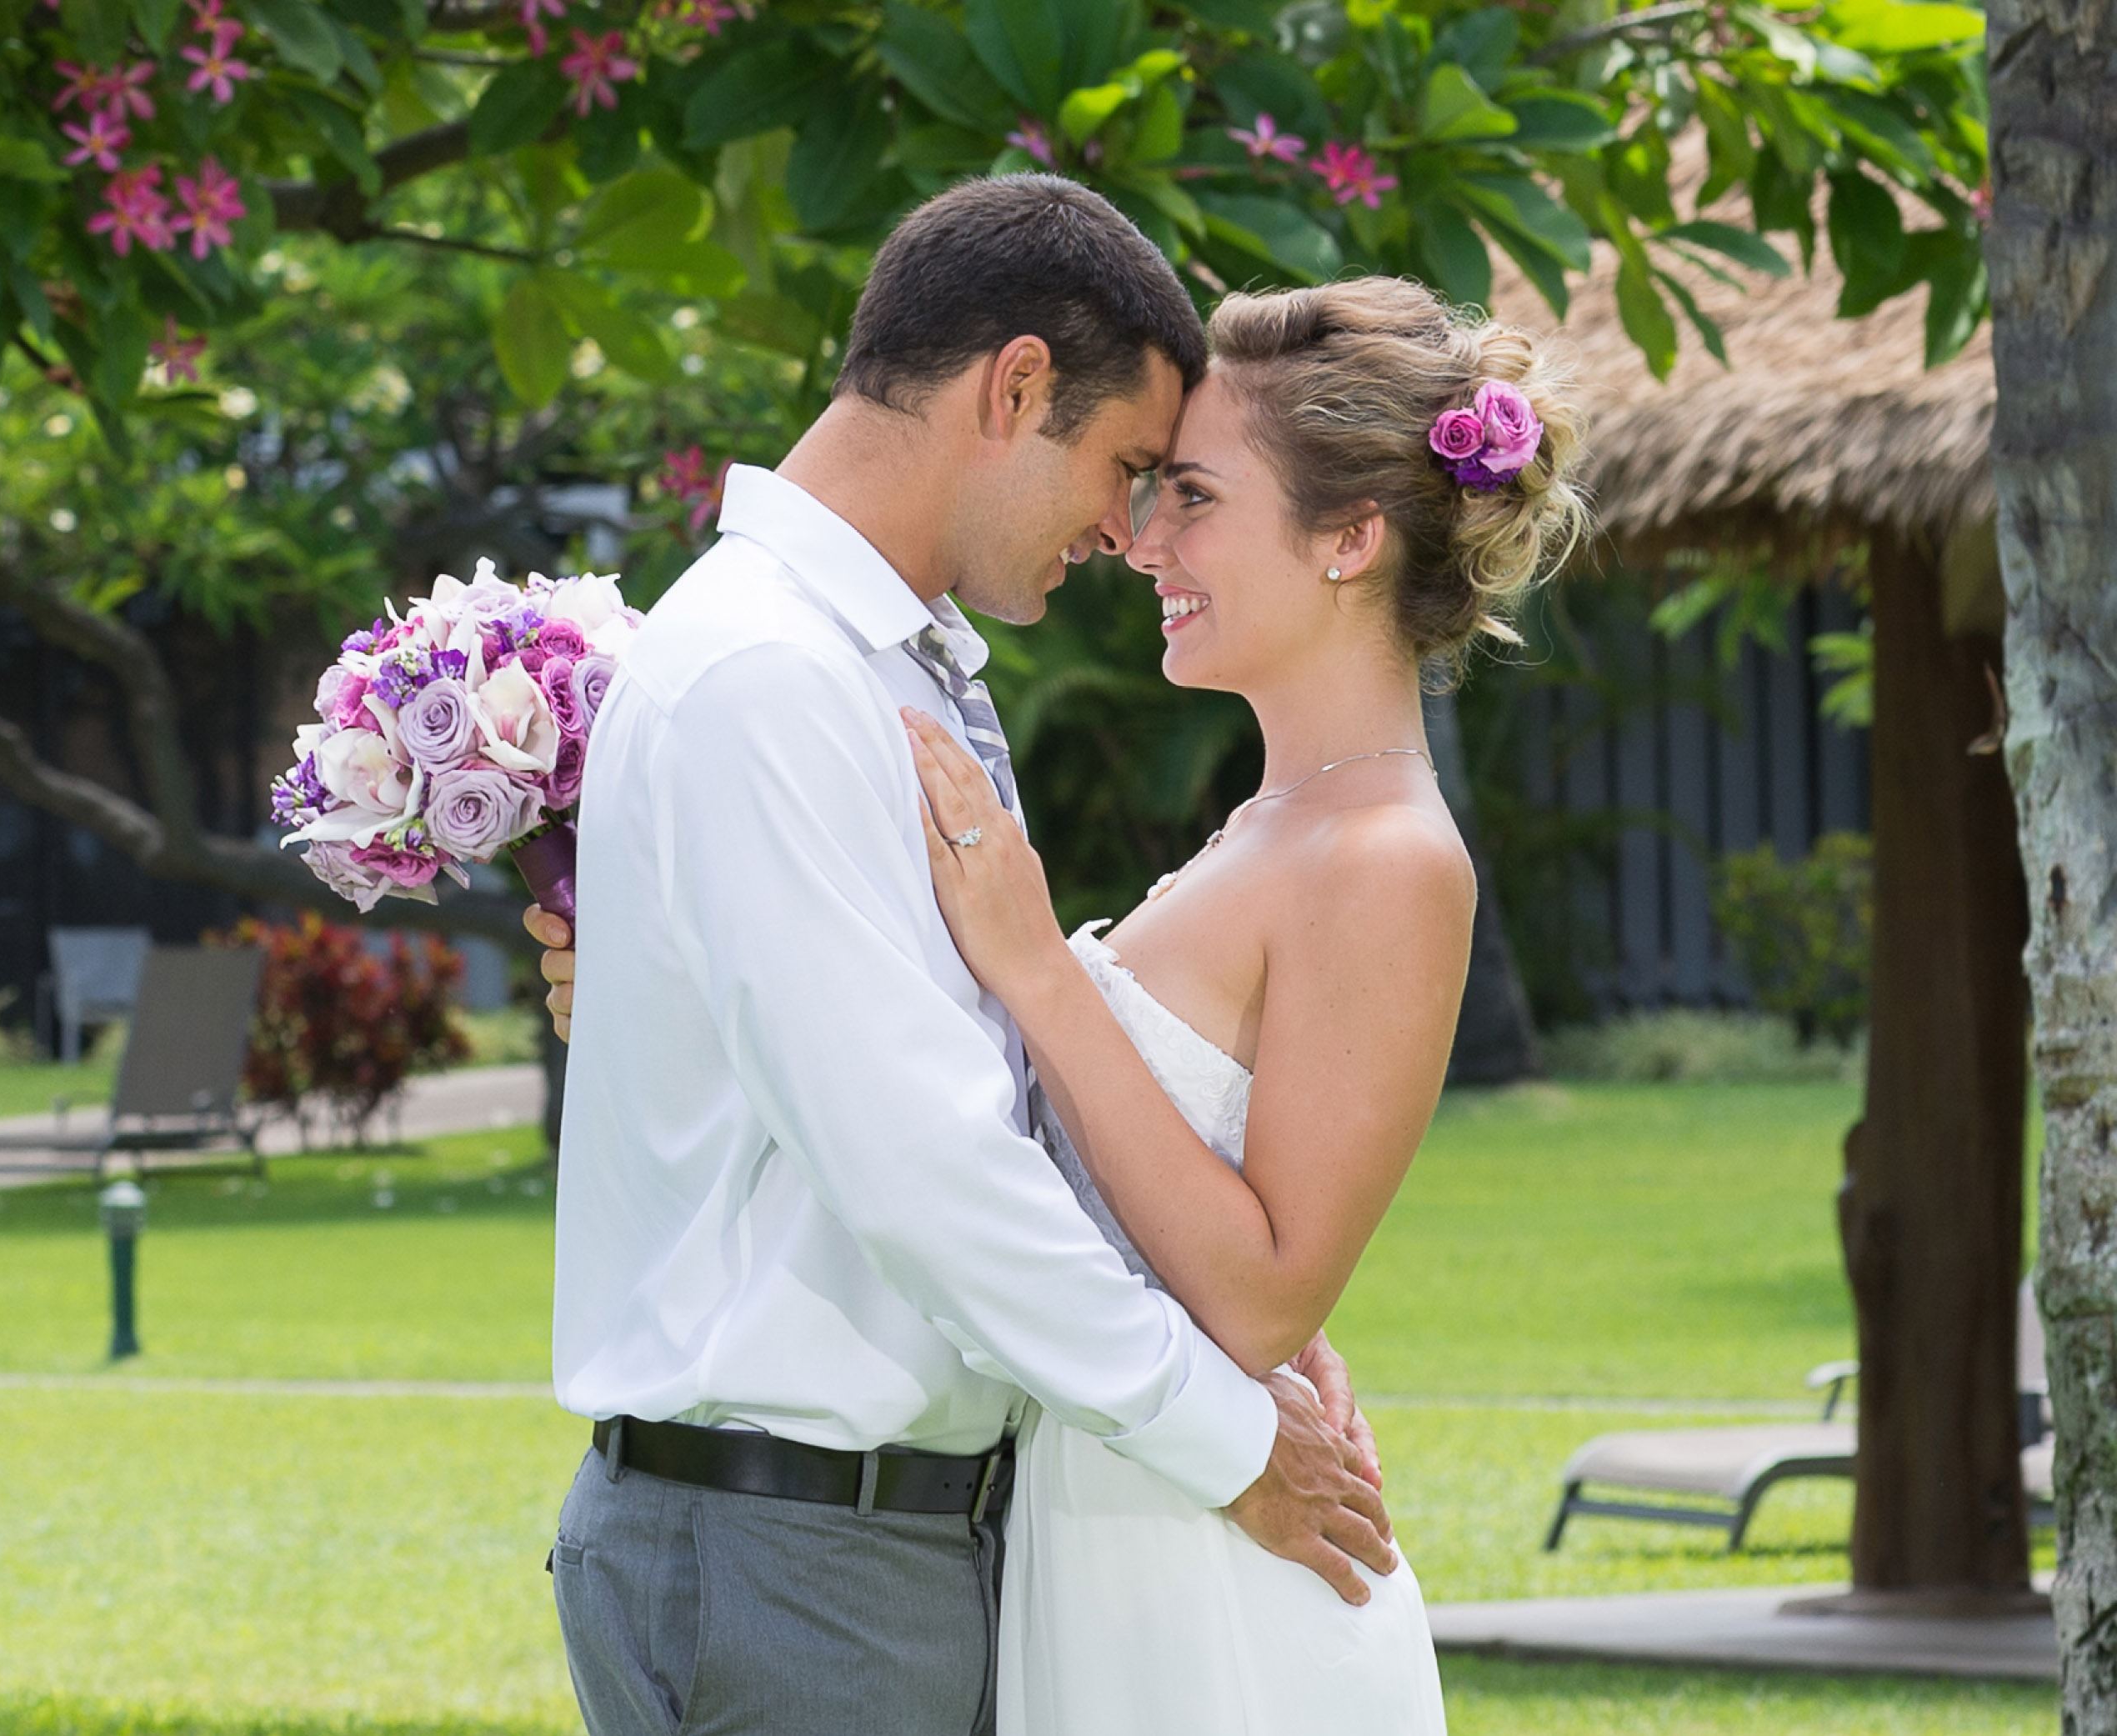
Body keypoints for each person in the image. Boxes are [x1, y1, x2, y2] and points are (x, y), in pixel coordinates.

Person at [530, 175, 1579, 1736]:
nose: (1129, 531)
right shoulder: (775, 674)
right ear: (1014, 389)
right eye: (1133, 471)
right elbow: (922, 1160)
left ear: (1350, 539)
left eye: (1181, 489)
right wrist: (1225, 1433)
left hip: (971, 1537)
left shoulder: (896, 675)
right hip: (811, 1546)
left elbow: (990, 1106)